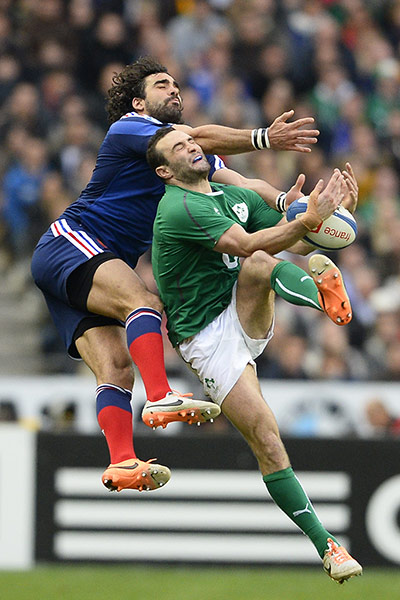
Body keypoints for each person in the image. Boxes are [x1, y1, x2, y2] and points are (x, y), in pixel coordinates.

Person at [31, 56, 320, 494]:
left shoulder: (190, 156)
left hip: (85, 262)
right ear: (138, 101)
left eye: (175, 84)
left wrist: (291, 206)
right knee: (144, 303)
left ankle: (122, 462)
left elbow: (243, 183)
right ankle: (162, 395)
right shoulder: (129, 127)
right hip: (71, 241)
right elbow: (197, 135)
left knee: (115, 367)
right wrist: (265, 136)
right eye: (162, 84)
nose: (174, 89)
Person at [147, 126, 362, 583]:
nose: (192, 146)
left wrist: (335, 220)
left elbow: (291, 240)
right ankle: (327, 545)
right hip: (205, 339)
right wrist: (308, 221)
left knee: (262, 265)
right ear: (165, 170)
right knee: (266, 438)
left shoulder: (231, 196)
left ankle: (324, 299)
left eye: (192, 141)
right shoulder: (180, 206)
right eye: (179, 147)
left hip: (242, 305)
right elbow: (246, 244)